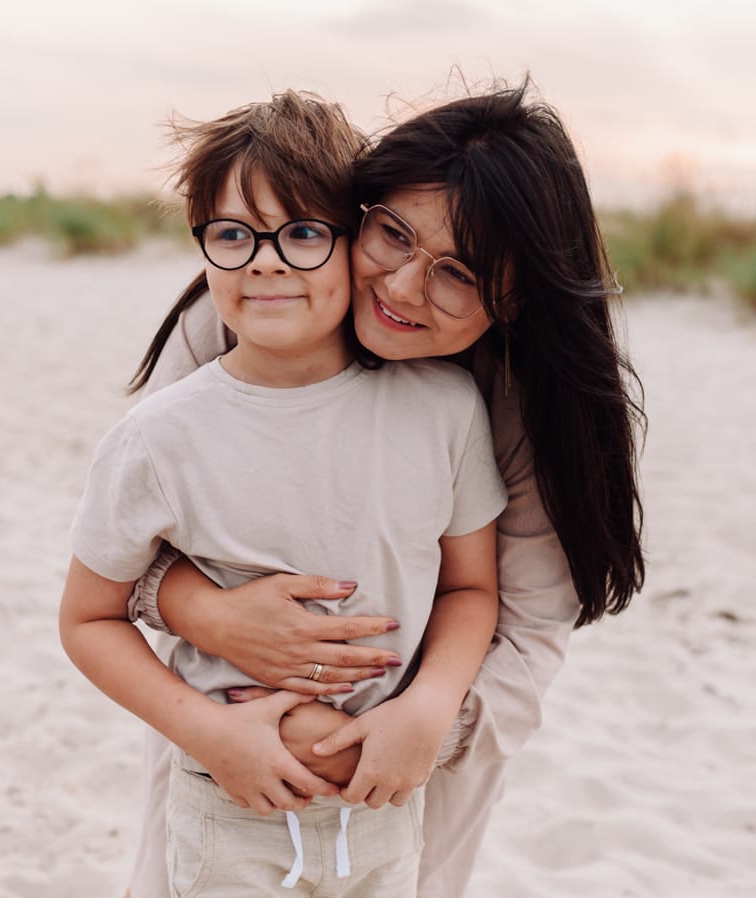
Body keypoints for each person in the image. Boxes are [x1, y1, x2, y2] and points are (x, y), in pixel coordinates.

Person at [121, 79, 647, 898]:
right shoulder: (245, 323)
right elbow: (129, 554)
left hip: (411, 771)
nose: (402, 288)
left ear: (515, 298)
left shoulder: (512, 401)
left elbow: (527, 624)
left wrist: (410, 727)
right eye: (393, 234)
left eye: (459, 274)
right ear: (358, 211)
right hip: (229, 741)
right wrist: (212, 614)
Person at [60, 90, 509, 897]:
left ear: (355, 242)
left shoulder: (444, 409)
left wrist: (430, 707)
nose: (264, 261)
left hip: (384, 802)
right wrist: (205, 731)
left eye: (302, 233)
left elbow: (473, 587)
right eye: (233, 235)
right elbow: (88, 617)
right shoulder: (158, 438)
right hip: (230, 801)